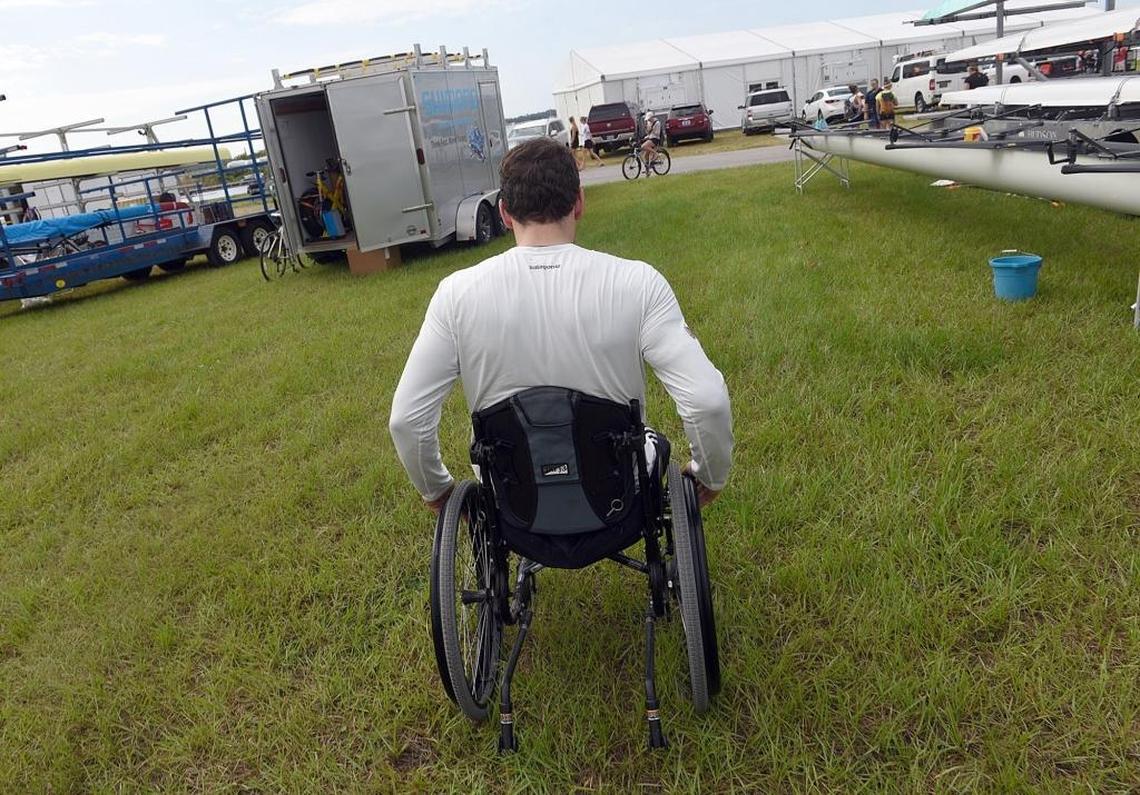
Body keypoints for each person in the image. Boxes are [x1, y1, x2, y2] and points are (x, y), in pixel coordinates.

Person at [390, 138, 733, 515]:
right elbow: (707, 401)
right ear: (579, 202)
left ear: (504, 214)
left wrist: (437, 491)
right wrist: (709, 476)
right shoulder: (640, 283)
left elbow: (407, 419)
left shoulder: (455, 295)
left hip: (513, 496)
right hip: (617, 492)